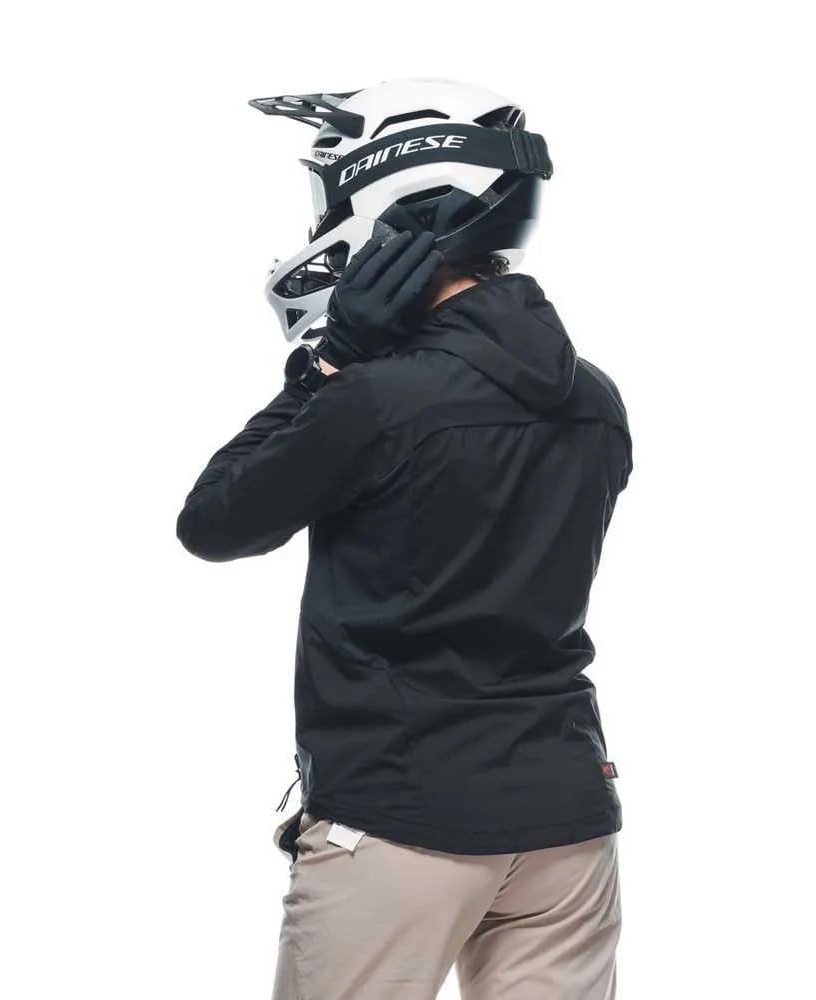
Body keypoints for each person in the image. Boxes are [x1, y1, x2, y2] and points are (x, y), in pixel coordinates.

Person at [176, 79, 634, 1000]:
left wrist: (328, 360)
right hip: (568, 818)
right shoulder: (595, 397)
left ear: (392, 211)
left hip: (401, 822)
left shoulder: (377, 398)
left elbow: (215, 523)